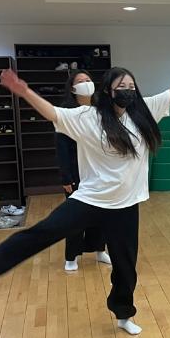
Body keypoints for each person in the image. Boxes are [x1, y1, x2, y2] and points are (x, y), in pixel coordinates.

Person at [0, 43, 170, 335]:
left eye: (131, 86)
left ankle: (124, 315)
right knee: (46, 230)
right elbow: (53, 113)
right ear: (108, 91)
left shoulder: (143, 112)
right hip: (91, 199)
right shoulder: (88, 117)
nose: (128, 91)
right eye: (121, 86)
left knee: (125, 267)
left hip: (126, 206)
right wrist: (24, 91)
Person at [56, 69, 110, 272]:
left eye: (88, 79)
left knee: (101, 213)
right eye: (80, 81)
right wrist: (66, 177)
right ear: (72, 88)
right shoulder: (66, 112)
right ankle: (72, 256)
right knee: (75, 215)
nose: (86, 83)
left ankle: (100, 250)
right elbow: (61, 147)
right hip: (76, 171)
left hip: (99, 170)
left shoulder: (101, 108)